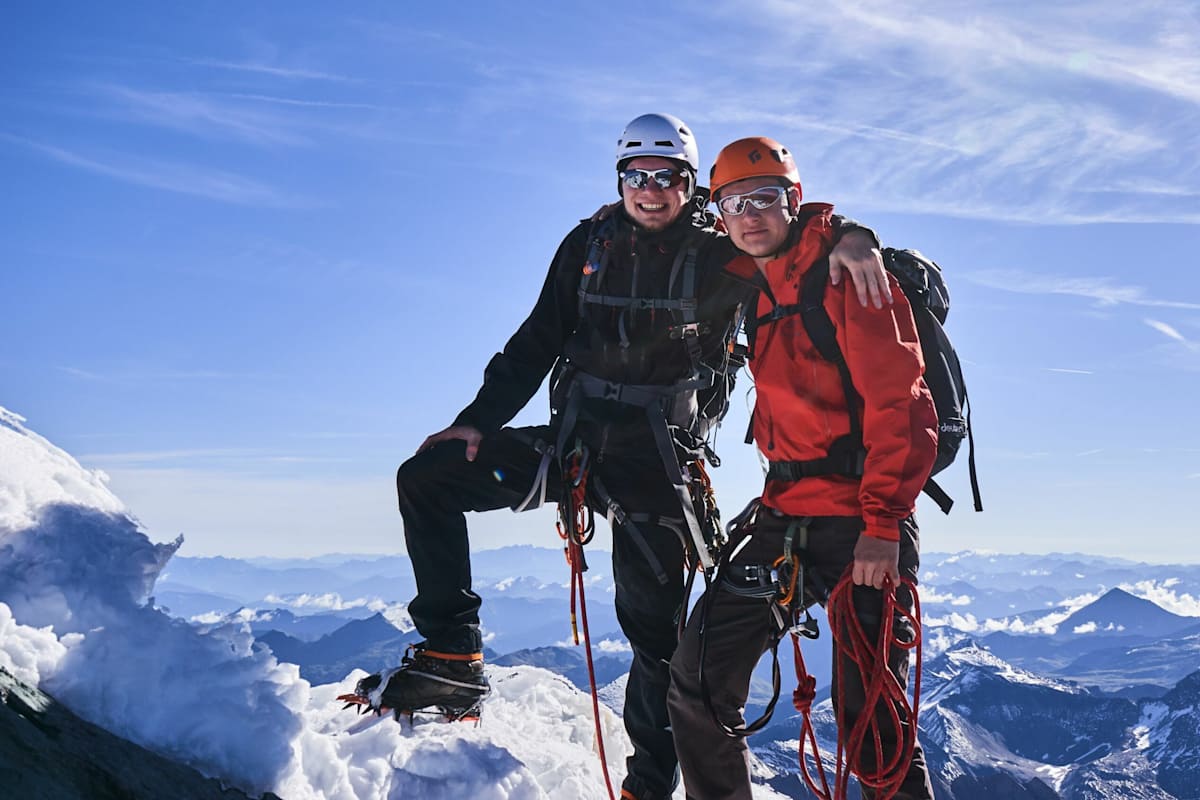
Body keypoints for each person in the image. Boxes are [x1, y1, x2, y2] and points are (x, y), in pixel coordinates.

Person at [359, 115, 885, 800]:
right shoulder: (589, 243)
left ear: (690, 184)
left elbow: (786, 238)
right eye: (638, 176)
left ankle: (646, 786)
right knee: (428, 479)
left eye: (667, 177)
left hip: (660, 468)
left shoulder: (721, 250)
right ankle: (451, 654)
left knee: (655, 638)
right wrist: (475, 424)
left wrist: (854, 237)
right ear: (621, 180)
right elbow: (536, 340)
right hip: (575, 447)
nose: (652, 189)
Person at [666, 137, 939, 800]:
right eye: (735, 202)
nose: (751, 214)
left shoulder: (849, 276)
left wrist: (883, 525)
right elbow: (670, 234)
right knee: (698, 683)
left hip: (862, 526)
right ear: (720, 211)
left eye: (766, 199)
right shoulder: (752, 282)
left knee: (869, 719)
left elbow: (901, 404)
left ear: (793, 201)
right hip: (785, 517)